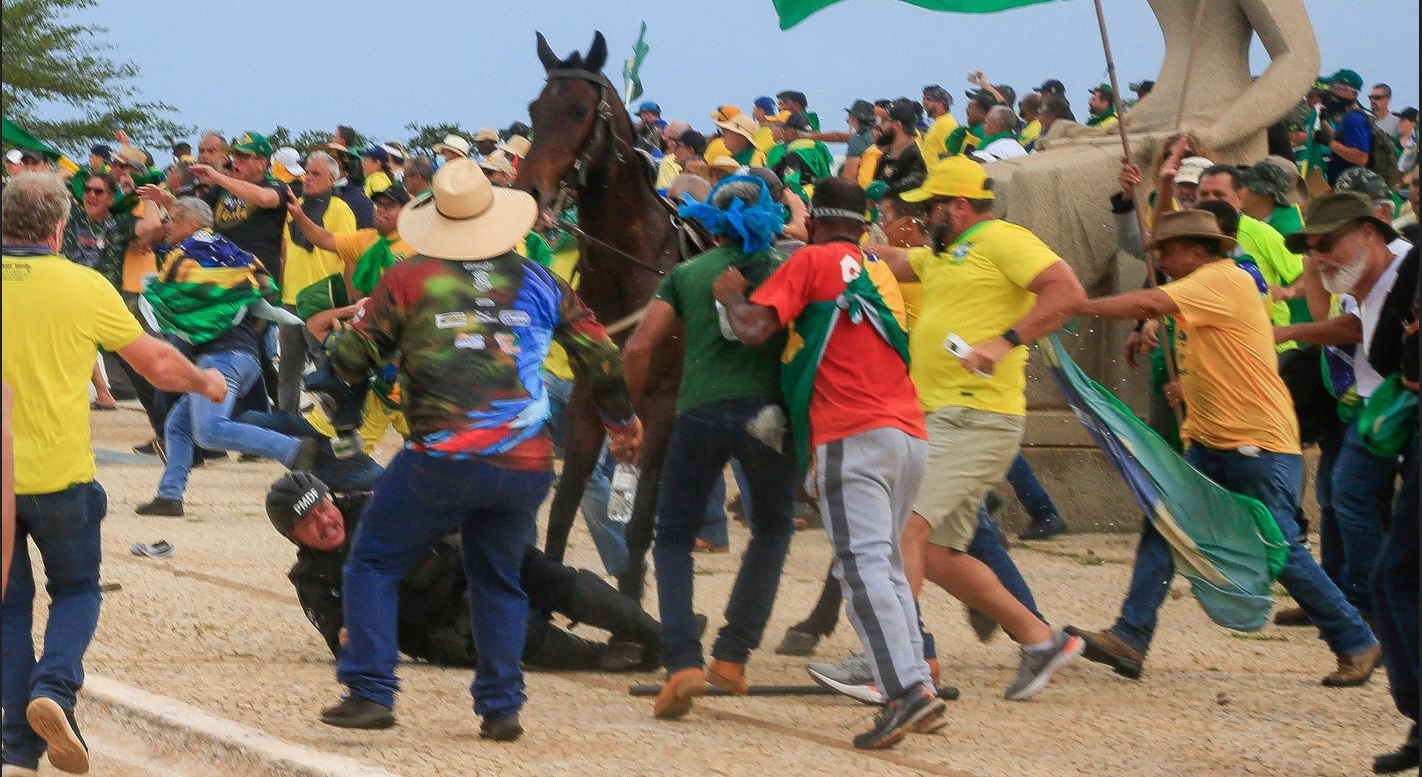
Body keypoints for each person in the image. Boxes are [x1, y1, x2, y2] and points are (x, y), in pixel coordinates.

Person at [316, 159, 642, 741]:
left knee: (372, 561)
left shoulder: (408, 279)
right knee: (498, 578)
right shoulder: (543, 282)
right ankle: (500, 706)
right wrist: (622, 421)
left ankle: (370, 690)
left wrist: (339, 344)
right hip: (525, 462)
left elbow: (352, 362)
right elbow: (603, 359)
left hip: (443, 458)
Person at [1066, 209, 1381, 686]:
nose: (1164, 261)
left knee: (1280, 549)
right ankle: (1131, 635)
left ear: (1197, 250)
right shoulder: (1208, 286)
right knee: (1165, 525)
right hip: (1215, 439)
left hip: (1255, 442)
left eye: (1168, 252)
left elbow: (1151, 302)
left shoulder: (1221, 279)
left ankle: (1356, 641)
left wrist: (1077, 306)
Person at [2, 172, 227, 776]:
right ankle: (54, 688)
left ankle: (16, 750)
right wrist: (207, 381)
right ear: (57, 229)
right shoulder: (82, 286)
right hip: (61, 475)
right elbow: (155, 365)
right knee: (76, 590)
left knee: (6, 608)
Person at [713, 178, 946, 750]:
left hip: (850, 433)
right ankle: (914, 680)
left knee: (861, 568)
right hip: (908, 432)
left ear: (813, 225)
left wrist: (729, 295)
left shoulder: (812, 261)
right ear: (863, 225)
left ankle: (904, 694)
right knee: (887, 566)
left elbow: (754, 329)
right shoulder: (879, 270)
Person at [866, 157, 1087, 701]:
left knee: (903, 531)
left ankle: (898, 667)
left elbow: (1067, 292)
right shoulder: (945, 254)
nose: (922, 219)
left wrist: (1006, 341)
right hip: (944, 416)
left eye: (930, 209)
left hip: (976, 415)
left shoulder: (1003, 239)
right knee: (938, 553)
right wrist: (829, 240)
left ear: (958, 206)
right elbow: (892, 259)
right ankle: (1041, 640)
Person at [622, 175, 798, 721]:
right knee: (771, 530)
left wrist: (626, 417)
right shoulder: (783, 268)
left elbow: (638, 345)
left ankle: (681, 662)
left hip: (696, 413)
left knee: (672, 538)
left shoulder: (685, 273)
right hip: (766, 415)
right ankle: (733, 656)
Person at [264, 467, 662, 672]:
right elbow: (342, 644)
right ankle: (605, 657)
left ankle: (658, 635)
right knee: (512, 630)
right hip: (447, 625)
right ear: (292, 535)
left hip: (472, 567)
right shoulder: (314, 580)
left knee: (545, 574)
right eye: (309, 522)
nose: (325, 521)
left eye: (323, 507)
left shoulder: (375, 503)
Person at [132, 197, 326, 517]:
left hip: (221, 360)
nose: (167, 226)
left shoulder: (188, 255)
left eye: (173, 220)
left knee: (210, 431)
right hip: (243, 357)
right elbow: (264, 286)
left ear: (193, 224)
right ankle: (169, 495)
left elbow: (173, 303)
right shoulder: (229, 250)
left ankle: (294, 449)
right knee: (180, 426)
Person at [278, 151, 358, 414]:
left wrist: (348, 299)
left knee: (327, 369)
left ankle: (339, 421)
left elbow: (348, 255)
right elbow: (285, 252)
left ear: (332, 180)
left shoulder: (340, 209)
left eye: (316, 174)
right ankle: (286, 424)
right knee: (288, 371)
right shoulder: (295, 205)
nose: (308, 178)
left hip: (320, 301)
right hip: (291, 300)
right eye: (307, 172)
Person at [1317, 69, 1374, 186]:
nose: (1330, 91)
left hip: (1351, 189)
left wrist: (1329, 143)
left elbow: (1361, 157)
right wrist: (1323, 121)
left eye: (1334, 87)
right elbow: (1342, 140)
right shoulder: (1346, 118)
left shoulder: (1354, 119)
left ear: (1349, 92)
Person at [872, 100, 927, 198]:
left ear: (897, 125)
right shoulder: (886, 156)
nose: (880, 126)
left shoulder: (913, 158)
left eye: (885, 120)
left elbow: (912, 192)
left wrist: (886, 192)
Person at [918, 85, 959, 172]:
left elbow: (951, 154)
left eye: (929, 99)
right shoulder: (938, 122)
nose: (924, 102)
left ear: (942, 103)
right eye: (924, 99)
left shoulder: (946, 123)